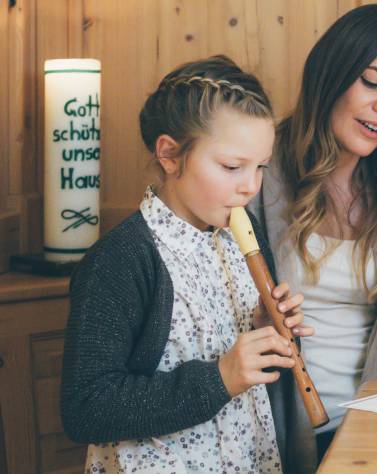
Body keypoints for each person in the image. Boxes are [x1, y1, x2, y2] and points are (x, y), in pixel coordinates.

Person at [60, 55, 311, 473]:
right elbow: (86, 408)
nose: (250, 186)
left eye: (261, 166)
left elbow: (256, 371)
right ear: (170, 155)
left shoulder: (242, 230)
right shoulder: (120, 260)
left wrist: (269, 332)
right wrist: (220, 378)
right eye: (232, 166)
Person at [249, 4, 377, 471]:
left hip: (375, 436)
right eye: (372, 81)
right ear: (331, 73)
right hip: (271, 434)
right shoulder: (257, 175)